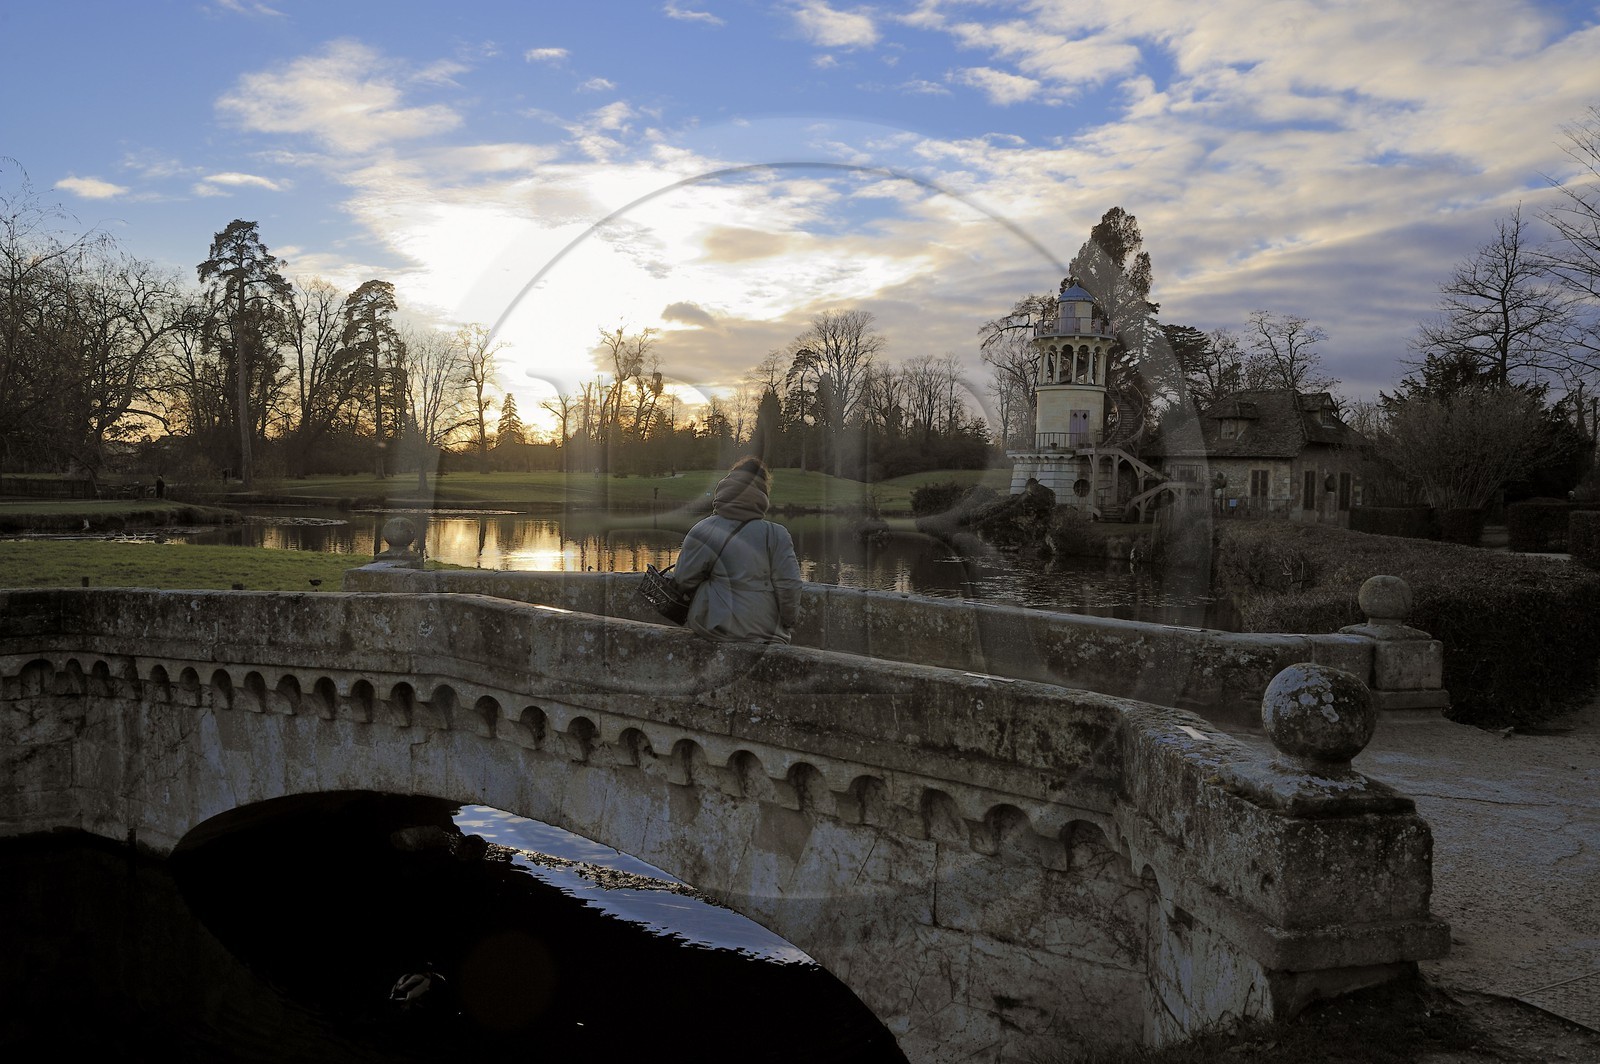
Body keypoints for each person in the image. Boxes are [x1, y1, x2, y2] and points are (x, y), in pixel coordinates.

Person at [673, 456, 802, 643]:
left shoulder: (703, 530)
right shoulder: (777, 534)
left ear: (727, 487)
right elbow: (789, 587)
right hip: (766, 634)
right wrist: (788, 622)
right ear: (763, 493)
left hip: (715, 629)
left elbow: (683, 579)